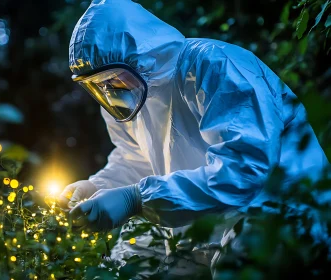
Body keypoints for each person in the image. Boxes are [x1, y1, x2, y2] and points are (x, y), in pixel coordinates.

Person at [57, 0, 329, 277]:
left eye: (113, 78)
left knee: (239, 260)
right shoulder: (129, 98)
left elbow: (244, 171)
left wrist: (136, 199)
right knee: (128, 256)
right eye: (98, 84)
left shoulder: (215, 67)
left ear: (143, 56)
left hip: (276, 215)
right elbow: (136, 160)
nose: (108, 89)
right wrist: (97, 186)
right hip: (203, 219)